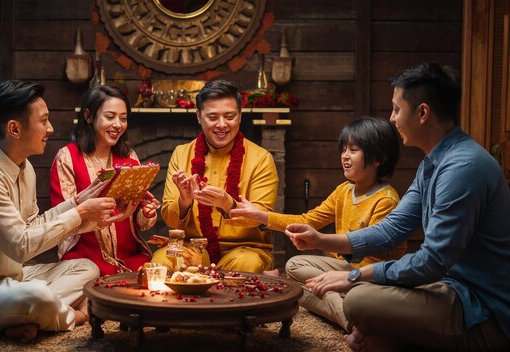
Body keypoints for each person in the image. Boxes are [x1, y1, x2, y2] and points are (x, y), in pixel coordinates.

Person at [285, 63, 510, 351]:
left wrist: (353, 276)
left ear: (423, 113)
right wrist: (321, 239)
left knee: (357, 299)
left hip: (479, 310)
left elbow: (431, 262)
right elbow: (393, 228)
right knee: (309, 271)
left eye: (396, 109)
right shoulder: (433, 162)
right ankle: (384, 336)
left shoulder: (463, 167)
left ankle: (387, 338)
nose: (391, 119)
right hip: (446, 288)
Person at [0, 80, 128, 342]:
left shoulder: (24, 167)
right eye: (44, 121)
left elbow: (32, 224)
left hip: (15, 276)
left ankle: (31, 318)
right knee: (35, 295)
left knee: (86, 268)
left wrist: (75, 203)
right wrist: (80, 213)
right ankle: (72, 316)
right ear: (14, 128)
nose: (50, 129)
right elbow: (21, 247)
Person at [229, 116, 406, 331]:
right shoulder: (344, 190)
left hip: (373, 277)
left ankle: (351, 323)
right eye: (343, 150)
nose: (345, 156)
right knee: (294, 268)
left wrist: (338, 272)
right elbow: (308, 220)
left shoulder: (385, 199)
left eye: (354, 150)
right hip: (346, 269)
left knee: (301, 291)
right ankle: (341, 304)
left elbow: (374, 258)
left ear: (379, 158)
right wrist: (261, 216)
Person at [153, 79, 279, 272]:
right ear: (198, 116)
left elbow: (261, 218)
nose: (222, 125)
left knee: (247, 263)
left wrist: (228, 204)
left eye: (230, 116)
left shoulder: (261, 158)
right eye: (213, 117)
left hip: (244, 249)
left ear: (239, 115)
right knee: (162, 260)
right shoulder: (181, 153)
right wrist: (184, 201)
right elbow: (170, 219)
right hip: (191, 246)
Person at [50, 84, 159, 275]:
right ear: (88, 116)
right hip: (84, 257)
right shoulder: (67, 157)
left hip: (130, 257)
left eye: (123, 118)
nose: (118, 125)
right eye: (110, 117)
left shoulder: (130, 157)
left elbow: (138, 223)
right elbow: (62, 222)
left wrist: (147, 212)